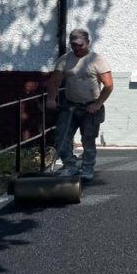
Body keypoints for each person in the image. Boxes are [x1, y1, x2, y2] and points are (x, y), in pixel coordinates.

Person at [46, 29, 114, 181]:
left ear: (87, 42)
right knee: (61, 136)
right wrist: (51, 99)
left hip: (91, 108)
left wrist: (97, 104)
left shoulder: (97, 60)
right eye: (73, 45)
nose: (77, 48)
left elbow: (108, 85)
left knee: (88, 139)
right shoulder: (65, 60)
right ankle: (70, 165)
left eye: (80, 45)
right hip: (70, 106)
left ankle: (87, 167)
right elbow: (54, 82)